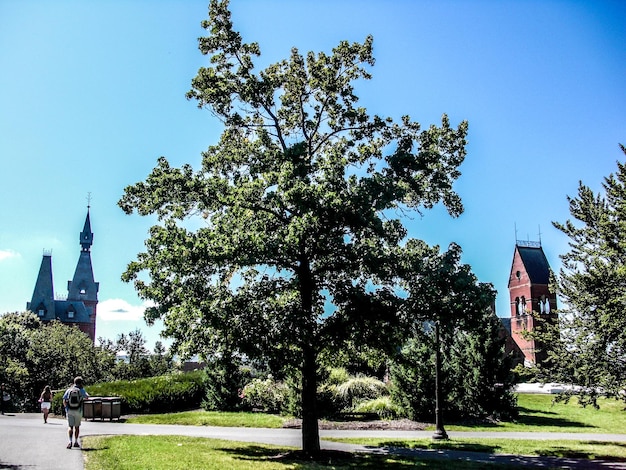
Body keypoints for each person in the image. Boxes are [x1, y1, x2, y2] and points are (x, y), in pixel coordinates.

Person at [62, 376, 89, 449]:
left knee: (70, 426)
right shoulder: (81, 390)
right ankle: (76, 442)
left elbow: (64, 400)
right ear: (81, 383)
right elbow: (87, 397)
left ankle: (70, 441)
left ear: (74, 382)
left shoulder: (69, 390)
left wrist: (66, 409)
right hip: (78, 410)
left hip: (70, 410)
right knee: (77, 427)